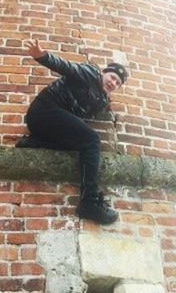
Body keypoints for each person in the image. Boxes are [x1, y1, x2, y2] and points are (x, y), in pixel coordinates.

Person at [16, 38, 128, 225]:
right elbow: (67, 67)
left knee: (81, 146)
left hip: (49, 126)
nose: (113, 83)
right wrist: (42, 56)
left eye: (118, 83)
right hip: (45, 110)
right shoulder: (90, 73)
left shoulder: (101, 101)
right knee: (92, 140)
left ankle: (35, 141)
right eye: (112, 77)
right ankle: (89, 202)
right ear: (103, 73)